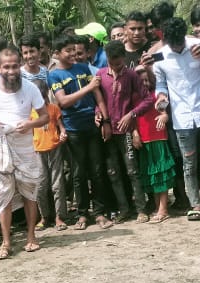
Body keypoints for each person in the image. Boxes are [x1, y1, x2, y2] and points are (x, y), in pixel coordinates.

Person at [0, 47, 50, 259]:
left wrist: (30, 124)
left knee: (29, 192)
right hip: (1, 143)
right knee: (3, 195)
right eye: (6, 67)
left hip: (25, 144)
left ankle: (31, 237)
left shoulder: (30, 88)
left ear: (19, 66)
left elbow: (45, 117)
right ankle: (6, 243)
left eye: (15, 66)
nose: (11, 71)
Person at [154, 17, 200, 221]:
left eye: (180, 42)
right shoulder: (160, 57)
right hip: (181, 118)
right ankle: (195, 204)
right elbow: (160, 85)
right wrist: (161, 96)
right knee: (188, 164)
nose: (177, 47)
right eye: (173, 43)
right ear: (165, 40)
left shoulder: (196, 47)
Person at [50, 33, 115, 230]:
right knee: (79, 173)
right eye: (67, 51)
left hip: (92, 125)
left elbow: (98, 96)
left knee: (97, 170)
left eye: (73, 50)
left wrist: (105, 120)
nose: (72, 54)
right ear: (57, 53)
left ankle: (100, 212)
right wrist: (88, 87)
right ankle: (82, 213)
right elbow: (63, 102)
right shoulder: (54, 75)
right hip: (73, 130)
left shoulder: (83, 67)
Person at [98, 39, 154, 222]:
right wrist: (98, 115)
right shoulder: (100, 76)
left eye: (119, 63)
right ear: (107, 59)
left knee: (132, 170)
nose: (115, 67)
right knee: (113, 172)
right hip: (108, 131)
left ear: (124, 57)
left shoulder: (131, 76)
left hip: (126, 130)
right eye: (112, 64)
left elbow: (147, 100)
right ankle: (123, 209)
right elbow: (97, 102)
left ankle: (141, 209)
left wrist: (131, 115)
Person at [132, 66, 177, 223]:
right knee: (152, 175)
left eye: (147, 80)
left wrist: (165, 116)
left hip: (158, 138)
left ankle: (163, 209)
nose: (144, 83)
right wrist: (135, 133)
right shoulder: (135, 98)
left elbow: (165, 112)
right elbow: (133, 119)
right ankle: (158, 206)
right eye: (141, 81)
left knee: (161, 174)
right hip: (144, 140)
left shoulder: (158, 95)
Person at [33, 79, 68, 229]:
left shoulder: (53, 108)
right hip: (38, 150)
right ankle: (44, 216)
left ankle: (59, 216)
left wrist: (63, 134)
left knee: (57, 184)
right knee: (41, 185)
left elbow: (61, 127)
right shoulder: (30, 112)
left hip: (54, 148)